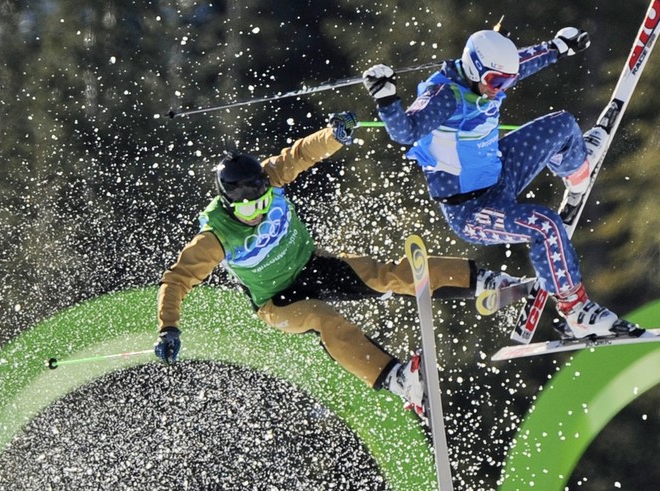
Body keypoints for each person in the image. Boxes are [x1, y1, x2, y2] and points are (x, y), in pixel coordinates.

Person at [154, 112, 513, 418]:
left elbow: (301, 153)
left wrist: (334, 135)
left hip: (312, 265)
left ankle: (486, 281)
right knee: (324, 320)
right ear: (230, 205)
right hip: (277, 300)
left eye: (264, 202)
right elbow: (177, 279)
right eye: (249, 210)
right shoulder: (215, 236)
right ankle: (399, 380)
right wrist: (168, 327)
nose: (259, 213)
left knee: (386, 274)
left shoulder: (271, 175)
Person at [363, 27, 638, 340]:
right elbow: (405, 132)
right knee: (545, 225)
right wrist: (386, 99)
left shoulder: (489, 78)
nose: (501, 89)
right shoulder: (444, 96)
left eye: (506, 82)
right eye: (496, 82)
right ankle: (575, 312)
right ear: (474, 68)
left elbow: (521, 63)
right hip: (472, 209)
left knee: (563, 124)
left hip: (501, 172)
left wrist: (558, 47)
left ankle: (577, 175)